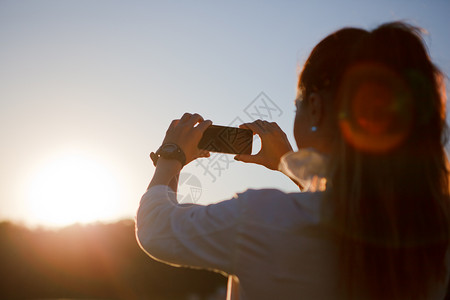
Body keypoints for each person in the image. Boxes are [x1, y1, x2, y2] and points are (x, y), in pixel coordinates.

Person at [136, 22, 450, 299]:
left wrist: (171, 155)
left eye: (296, 103)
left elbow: (156, 230)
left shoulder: (260, 219)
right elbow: (345, 206)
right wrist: (288, 163)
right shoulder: (432, 230)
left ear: (315, 107)